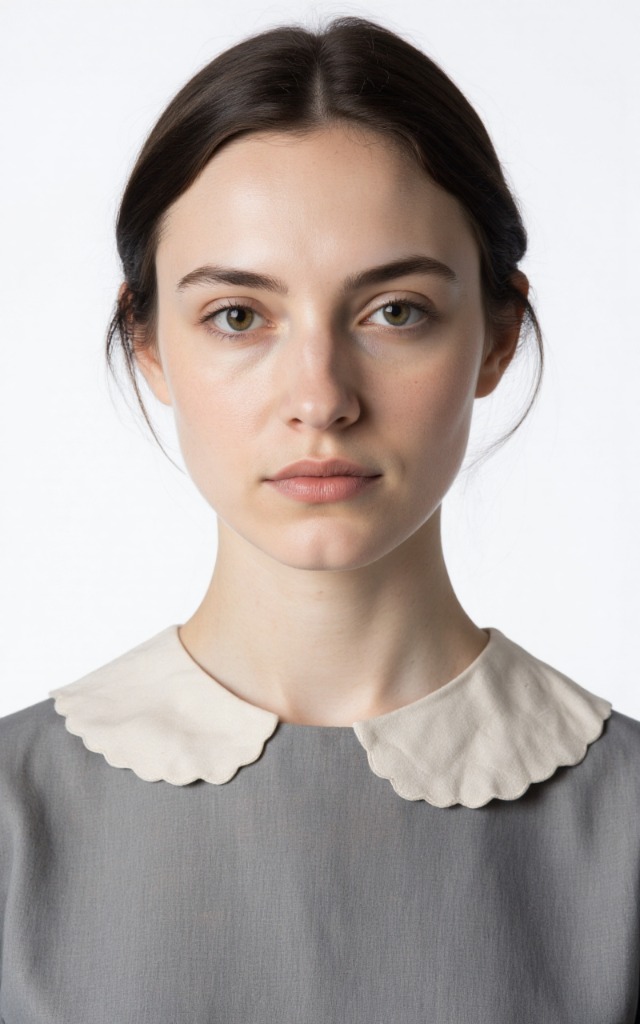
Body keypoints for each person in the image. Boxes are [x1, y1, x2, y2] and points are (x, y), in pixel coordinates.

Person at [1, 15, 639, 1022]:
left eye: (394, 310)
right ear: (149, 344)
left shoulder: (625, 834)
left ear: (497, 334)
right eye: (238, 316)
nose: (321, 397)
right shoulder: (14, 821)